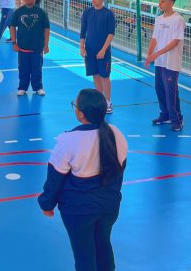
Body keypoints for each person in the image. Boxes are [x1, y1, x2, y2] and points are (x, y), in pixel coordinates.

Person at [38, 88, 128, 271]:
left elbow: (55, 178)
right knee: (103, 245)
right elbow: (119, 169)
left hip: (79, 210)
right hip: (109, 206)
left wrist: (47, 204)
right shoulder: (116, 133)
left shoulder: (69, 140)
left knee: (84, 254)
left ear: (80, 113)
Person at [145, 0, 185, 132]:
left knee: (171, 92)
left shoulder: (178, 20)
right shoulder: (159, 19)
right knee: (160, 89)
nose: (159, 4)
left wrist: (156, 54)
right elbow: (154, 38)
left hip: (171, 63)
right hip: (160, 62)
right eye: (159, 1)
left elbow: (175, 42)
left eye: (162, 1)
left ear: (171, 2)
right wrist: (149, 54)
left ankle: (177, 119)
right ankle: (165, 115)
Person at [80, 0, 117, 114]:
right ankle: (100, 100)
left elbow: (111, 34)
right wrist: (82, 47)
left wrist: (103, 50)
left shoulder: (108, 14)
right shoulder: (87, 12)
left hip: (103, 51)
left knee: (104, 76)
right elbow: (83, 31)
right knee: (95, 74)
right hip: (90, 50)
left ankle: (108, 102)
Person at [9, 0, 50, 96]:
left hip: (37, 47)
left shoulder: (41, 13)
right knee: (23, 69)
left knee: (37, 68)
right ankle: (22, 87)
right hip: (22, 47)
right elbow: (12, 26)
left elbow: (46, 29)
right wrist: (14, 42)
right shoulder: (19, 12)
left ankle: (38, 87)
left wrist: (46, 45)